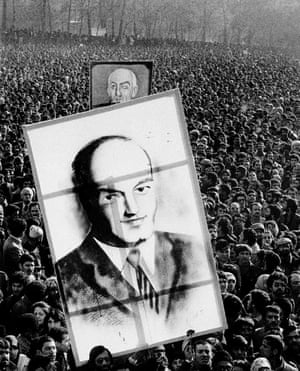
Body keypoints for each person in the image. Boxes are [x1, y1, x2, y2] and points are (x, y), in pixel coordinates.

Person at [56, 135, 206, 349]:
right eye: (112, 196)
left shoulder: (193, 252)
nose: (132, 209)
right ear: (87, 201)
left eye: (141, 189)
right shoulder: (66, 275)